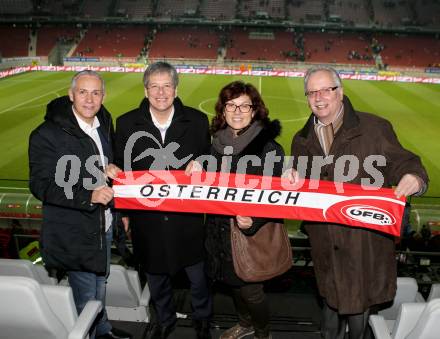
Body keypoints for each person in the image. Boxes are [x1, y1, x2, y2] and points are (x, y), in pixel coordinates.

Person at [287, 66, 429, 339]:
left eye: (326, 90)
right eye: (311, 92)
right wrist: (291, 176)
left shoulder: (375, 128)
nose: (319, 97)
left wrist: (414, 177)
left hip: (364, 242)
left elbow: (406, 162)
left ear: (340, 92)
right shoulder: (301, 140)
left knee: (358, 313)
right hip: (326, 243)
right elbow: (303, 183)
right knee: (330, 303)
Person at [29, 70, 131, 339]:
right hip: (74, 230)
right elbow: (41, 186)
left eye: (96, 93)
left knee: (101, 282)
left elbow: (95, 165)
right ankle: (90, 332)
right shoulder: (46, 134)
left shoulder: (104, 123)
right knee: (86, 294)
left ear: (103, 96)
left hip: (103, 223)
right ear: (71, 94)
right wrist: (89, 195)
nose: (89, 99)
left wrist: (107, 169)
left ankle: (103, 329)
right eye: (83, 92)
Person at [114, 62, 212, 339]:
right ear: (145, 91)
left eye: (166, 86)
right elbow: (120, 169)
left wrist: (203, 164)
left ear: (176, 89)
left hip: (187, 217)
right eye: (154, 86)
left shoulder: (196, 121)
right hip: (147, 219)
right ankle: (164, 319)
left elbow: (210, 158)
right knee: (156, 277)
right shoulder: (125, 123)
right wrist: (123, 211)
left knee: (198, 277)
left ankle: (202, 319)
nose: (161, 92)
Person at [189, 81, 284, 339]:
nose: (238, 111)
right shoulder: (215, 145)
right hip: (218, 232)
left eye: (245, 105)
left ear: (255, 111)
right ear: (223, 111)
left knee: (251, 291)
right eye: (231, 105)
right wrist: (197, 164)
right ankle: (245, 324)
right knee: (233, 285)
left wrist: (252, 221)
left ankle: (264, 333)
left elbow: (276, 199)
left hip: (248, 235)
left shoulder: (268, 148)